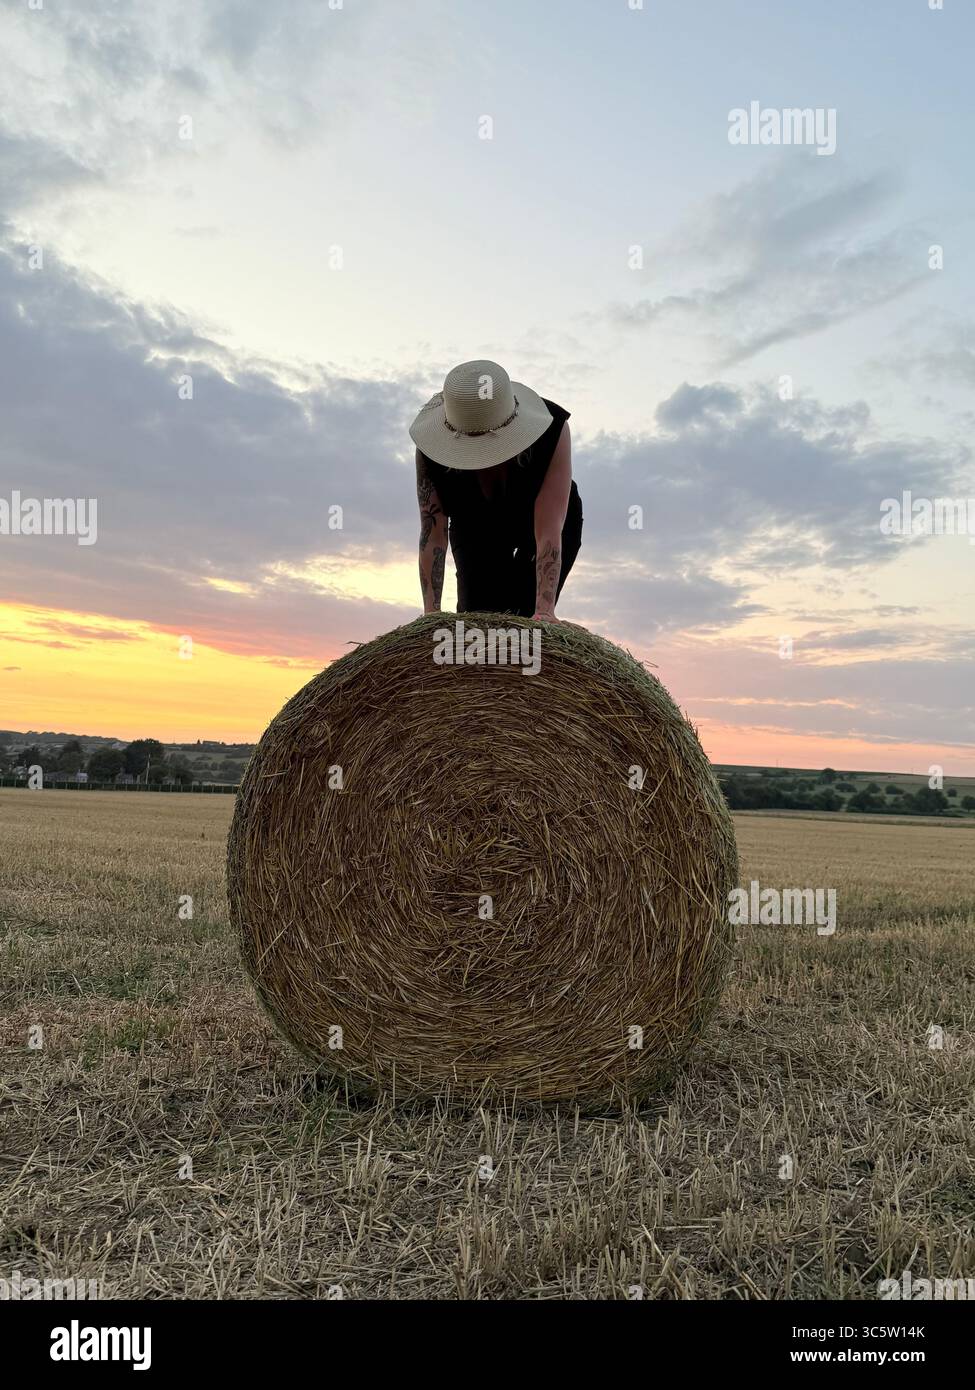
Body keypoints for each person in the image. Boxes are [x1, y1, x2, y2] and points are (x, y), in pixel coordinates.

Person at [410, 359, 582, 621]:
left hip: (542, 518)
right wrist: (430, 616)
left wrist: (544, 611)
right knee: (478, 617)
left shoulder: (552, 430)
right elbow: (432, 534)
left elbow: (549, 531)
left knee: (525, 617)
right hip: (473, 523)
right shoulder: (430, 453)